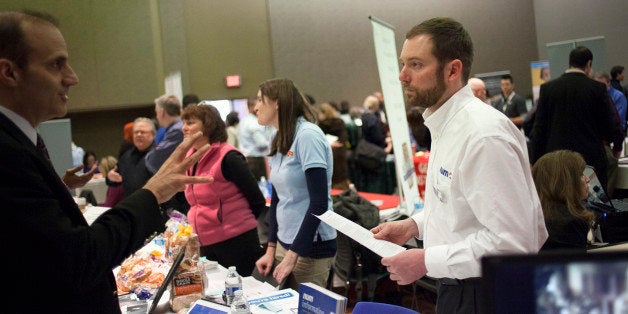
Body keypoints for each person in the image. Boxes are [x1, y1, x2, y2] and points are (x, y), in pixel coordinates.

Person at [0, 10, 212, 312]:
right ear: (9, 72)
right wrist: (153, 194)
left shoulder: (23, 140)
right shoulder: (8, 152)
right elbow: (79, 257)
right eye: (56, 64)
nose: (72, 77)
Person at [370, 17, 547, 313]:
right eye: (403, 64)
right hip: (461, 287)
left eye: (415, 65)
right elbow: (459, 206)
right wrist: (414, 226)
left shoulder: (483, 135)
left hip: (484, 293)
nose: (402, 76)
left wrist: (425, 260)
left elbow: (513, 245)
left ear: (453, 70)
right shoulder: (446, 124)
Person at [254, 78, 337, 290]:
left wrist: (293, 256)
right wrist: (271, 248)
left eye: (259, 100)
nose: (255, 107)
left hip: (309, 248)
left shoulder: (307, 136)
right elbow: (278, 198)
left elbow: (319, 204)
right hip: (284, 243)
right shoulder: (280, 137)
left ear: (277, 103)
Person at [182, 104, 266, 276]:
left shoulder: (229, 157)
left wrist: (235, 222)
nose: (184, 128)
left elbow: (257, 199)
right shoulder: (189, 157)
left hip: (236, 240)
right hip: (205, 241)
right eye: (184, 123)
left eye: (190, 123)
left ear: (208, 125)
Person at [529, 46, 622, 194]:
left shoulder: (548, 88)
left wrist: (535, 160)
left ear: (569, 63)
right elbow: (609, 127)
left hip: (556, 162)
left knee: (561, 202)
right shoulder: (596, 88)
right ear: (589, 64)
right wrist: (615, 144)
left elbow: (539, 129)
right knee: (594, 206)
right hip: (590, 162)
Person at [532, 150, 595, 251]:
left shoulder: (536, 215)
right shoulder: (570, 223)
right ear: (566, 182)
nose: (587, 179)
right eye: (581, 175)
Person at [145, 94, 189, 213]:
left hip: (183, 190)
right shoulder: (177, 128)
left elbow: (153, 160)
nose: (157, 117)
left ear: (162, 112)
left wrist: (150, 154)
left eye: (156, 112)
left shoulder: (177, 130)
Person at [107, 117, 155, 198]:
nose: (139, 135)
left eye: (143, 132)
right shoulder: (127, 156)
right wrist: (110, 177)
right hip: (131, 205)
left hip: (155, 206)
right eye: (136, 132)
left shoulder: (161, 155)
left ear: (153, 134)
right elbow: (115, 180)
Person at [317, 102, 351, 190]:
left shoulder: (320, 125)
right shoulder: (340, 122)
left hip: (327, 155)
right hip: (340, 154)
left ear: (324, 113)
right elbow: (343, 140)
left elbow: (319, 141)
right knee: (341, 180)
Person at [238, 96, 272, 181]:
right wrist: (275, 143)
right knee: (262, 188)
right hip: (256, 160)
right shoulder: (254, 122)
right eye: (258, 104)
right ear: (251, 107)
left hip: (247, 158)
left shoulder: (244, 120)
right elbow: (262, 144)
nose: (259, 107)